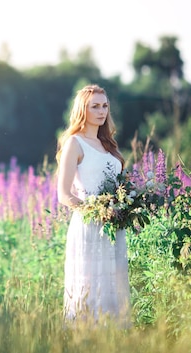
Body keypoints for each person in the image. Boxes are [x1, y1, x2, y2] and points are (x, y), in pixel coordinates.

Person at [56, 84, 131, 328]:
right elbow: (64, 194)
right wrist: (97, 212)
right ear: (82, 110)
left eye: (105, 106)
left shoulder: (109, 145)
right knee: (90, 287)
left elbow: (118, 186)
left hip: (113, 227)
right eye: (94, 106)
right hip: (89, 226)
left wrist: (127, 205)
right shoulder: (74, 143)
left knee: (112, 285)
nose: (101, 111)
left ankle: (113, 342)